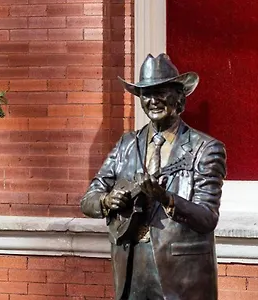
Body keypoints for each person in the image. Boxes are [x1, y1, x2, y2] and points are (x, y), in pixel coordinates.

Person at [80, 54, 227, 300]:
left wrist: (167, 198)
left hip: (181, 275)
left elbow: (207, 217)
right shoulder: (126, 145)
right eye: (146, 94)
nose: (153, 100)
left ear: (179, 98)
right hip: (131, 267)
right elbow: (89, 199)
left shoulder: (205, 149)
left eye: (161, 92)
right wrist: (106, 201)